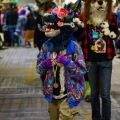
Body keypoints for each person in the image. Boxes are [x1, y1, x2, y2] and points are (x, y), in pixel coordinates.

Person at [36, 0, 86, 120]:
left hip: (68, 96)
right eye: (47, 26)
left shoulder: (74, 47)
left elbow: (81, 72)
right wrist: (44, 64)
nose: (48, 28)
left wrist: (67, 62)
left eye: (51, 26)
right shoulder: (46, 46)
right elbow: (38, 69)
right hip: (52, 96)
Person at [80, 0, 118, 120]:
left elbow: (115, 34)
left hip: (106, 60)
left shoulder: (111, 16)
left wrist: (110, 31)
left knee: (105, 94)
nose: (99, 2)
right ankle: (96, 118)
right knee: (94, 94)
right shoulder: (85, 17)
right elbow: (79, 36)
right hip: (91, 60)